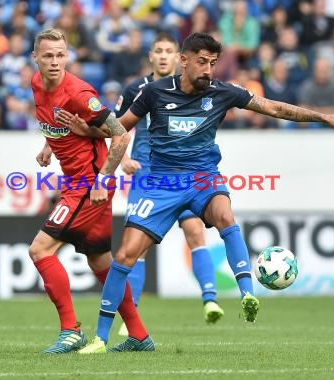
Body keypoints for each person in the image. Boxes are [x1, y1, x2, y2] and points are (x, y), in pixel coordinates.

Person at [56, 32, 334, 354]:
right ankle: (101, 340)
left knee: (224, 215)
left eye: (213, 63)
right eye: (202, 62)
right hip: (161, 183)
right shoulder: (153, 93)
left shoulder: (222, 92)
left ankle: (247, 293)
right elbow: (119, 127)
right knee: (123, 256)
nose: (208, 70)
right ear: (184, 61)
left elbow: (273, 107)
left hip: (204, 178)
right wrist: (87, 130)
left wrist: (323, 117)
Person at [28, 27, 150, 354]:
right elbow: (56, 121)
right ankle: (138, 334)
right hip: (76, 180)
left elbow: (121, 135)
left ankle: (70, 330)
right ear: (35, 58)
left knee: (40, 250)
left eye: (60, 55)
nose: (55, 62)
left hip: (89, 184)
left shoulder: (80, 94)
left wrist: (103, 179)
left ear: (68, 56)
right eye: (48, 56)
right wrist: (49, 146)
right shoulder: (36, 84)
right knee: (100, 261)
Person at [115, 32, 224, 336]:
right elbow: (116, 126)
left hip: (183, 173)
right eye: (158, 51)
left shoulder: (194, 88)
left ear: (180, 58)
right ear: (151, 56)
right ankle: (130, 316)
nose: (164, 56)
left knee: (194, 230)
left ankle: (210, 300)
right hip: (146, 173)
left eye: (169, 51)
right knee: (136, 248)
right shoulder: (136, 88)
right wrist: (122, 157)